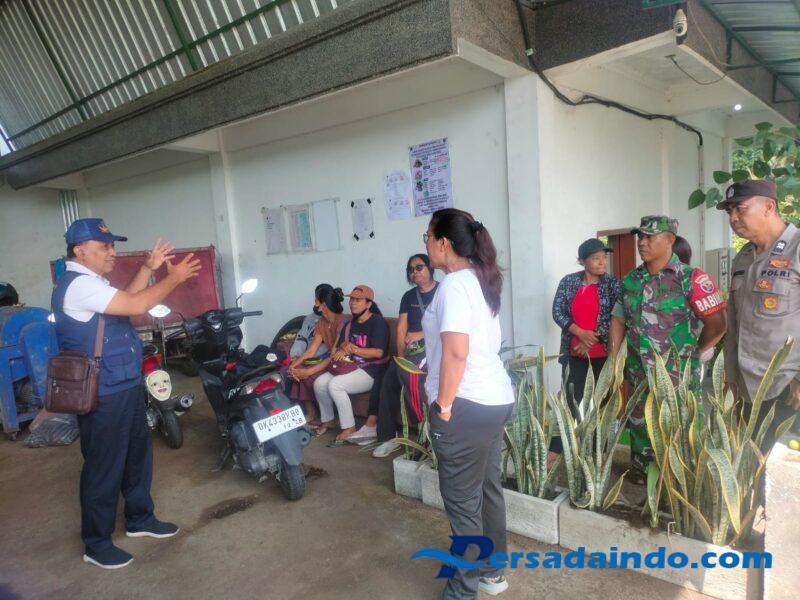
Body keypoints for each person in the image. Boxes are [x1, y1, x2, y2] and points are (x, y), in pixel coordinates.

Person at [52, 218, 201, 569]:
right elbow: (137, 306)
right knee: (104, 467)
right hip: (103, 392)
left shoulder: (92, 282)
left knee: (137, 456)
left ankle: (139, 519)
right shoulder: (78, 285)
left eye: (112, 245)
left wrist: (148, 268)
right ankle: (96, 544)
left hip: (124, 383)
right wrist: (174, 278)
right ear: (80, 250)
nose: (112, 252)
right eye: (104, 246)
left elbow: (128, 301)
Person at [422, 208, 515, 599]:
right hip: (494, 399)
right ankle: (493, 572)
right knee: (488, 489)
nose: (426, 245)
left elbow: (457, 352)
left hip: (465, 405)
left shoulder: (455, 285)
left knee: (462, 504)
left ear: (444, 243)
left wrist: (444, 405)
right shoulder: (481, 279)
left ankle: (462, 592)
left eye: (428, 237)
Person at [610, 215, 727, 481]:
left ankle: (679, 482)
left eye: (650, 237)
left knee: (680, 428)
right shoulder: (631, 280)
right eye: (640, 236)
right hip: (638, 375)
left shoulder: (691, 279)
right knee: (640, 424)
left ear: (669, 240)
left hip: (677, 378)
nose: (642, 242)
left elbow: (718, 324)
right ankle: (642, 475)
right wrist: (615, 361)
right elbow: (618, 319)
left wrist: (694, 352)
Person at [718, 180, 800, 450]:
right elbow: (734, 325)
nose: (733, 218)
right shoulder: (743, 257)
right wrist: (730, 377)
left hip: (787, 387)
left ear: (769, 207)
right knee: (749, 464)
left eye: (740, 208)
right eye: (729, 211)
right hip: (747, 387)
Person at [351, 254, 438, 456]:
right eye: (411, 269)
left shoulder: (443, 291)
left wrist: (422, 334)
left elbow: (450, 325)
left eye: (419, 267)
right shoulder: (408, 297)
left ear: (430, 268)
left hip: (436, 351)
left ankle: (429, 435)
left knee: (417, 382)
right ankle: (388, 438)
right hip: (412, 354)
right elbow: (401, 329)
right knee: (389, 379)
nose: (414, 272)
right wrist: (401, 359)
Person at [550, 238, 621, 454]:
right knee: (570, 399)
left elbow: (617, 316)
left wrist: (591, 339)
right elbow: (557, 311)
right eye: (596, 258)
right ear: (582, 261)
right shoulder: (569, 282)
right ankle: (561, 448)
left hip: (603, 355)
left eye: (604, 257)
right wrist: (580, 333)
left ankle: (598, 450)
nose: (602, 262)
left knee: (601, 403)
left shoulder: (612, 284)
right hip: (574, 353)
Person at [313, 285, 390, 445]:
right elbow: (340, 347)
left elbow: (378, 353)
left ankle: (349, 427)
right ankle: (328, 420)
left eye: (358, 300)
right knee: (319, 383)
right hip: (351, 366)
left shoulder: (378, 322)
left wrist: (354, 349)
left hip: (371, 370)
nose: (353, 303)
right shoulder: (350, 324)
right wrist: (343, 348)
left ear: (368, 304)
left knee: (335, 385)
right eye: (352, 299)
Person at [286, 285, 346, 425]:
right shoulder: (322, 321)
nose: (315, 303)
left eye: (316, 300)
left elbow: (333, 356)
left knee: (306, 374)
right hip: (328, 360)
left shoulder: (343, 322)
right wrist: (293, 366)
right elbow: (311, 351)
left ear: (323, 304)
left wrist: (307, 371)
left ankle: (327, 419)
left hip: (340, 362)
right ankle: (311, 413)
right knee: (297, 370)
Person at [288, 284, 335, 359]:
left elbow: (332, 346)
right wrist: (296, 355)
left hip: (322, 358)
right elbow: (301, 339)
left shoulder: (337, 319)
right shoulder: (310, 318)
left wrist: (306, 357)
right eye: (319, 299)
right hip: (305, 355)